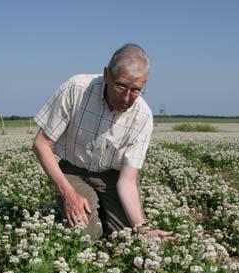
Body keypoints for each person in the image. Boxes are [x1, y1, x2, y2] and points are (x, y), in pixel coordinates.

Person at [32, 44, 173, 240]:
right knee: (86, 235)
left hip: (111, 177)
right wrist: (68, 193)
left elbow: (128, 180)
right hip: (74, 170)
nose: (126, 98)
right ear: (106, 74)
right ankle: (84, 210)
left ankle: (100, 209)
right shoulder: (77, 88)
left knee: (128, 235)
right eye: (121, 86)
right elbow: (41, 144)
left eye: (135, 90)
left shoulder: (143, 116)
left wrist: (143, 227)